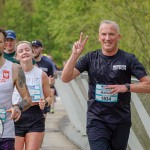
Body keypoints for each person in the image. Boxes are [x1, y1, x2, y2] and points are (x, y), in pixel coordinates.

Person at [61, 20, 150, 150]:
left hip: (121, 120)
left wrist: (127, 87)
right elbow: (65, 78)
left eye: (111, 34)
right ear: (99, 37)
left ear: (118, 37)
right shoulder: (90, 58)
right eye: (103, 34)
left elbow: (148, 85)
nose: (107, 38)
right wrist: (74, 55)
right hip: (96, 119)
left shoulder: (128, 59)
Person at [12, 41, 53, 150]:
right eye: (20, 51)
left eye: (27, 49)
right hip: (16, 116)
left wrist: (45, 102)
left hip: (35, 116)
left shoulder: (41, 74)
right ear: (16, 56)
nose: (24, 52)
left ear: (32, 52)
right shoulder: (13, 73)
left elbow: (49, 96)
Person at [0, 29, 32, 150]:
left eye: (0, 42)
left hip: (5, 133)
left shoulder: (15, 69)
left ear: (5, 45)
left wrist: (18, 107)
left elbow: (27, 99)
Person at [31, 40, 55, 116]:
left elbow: (51, 82)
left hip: (42, 98)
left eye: (36, 47)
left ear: (41, 49)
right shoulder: (27, 62)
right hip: (29, 98)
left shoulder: (48, 64)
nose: (34, 50)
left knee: (41, 123)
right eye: (32, 47)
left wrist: (50, 83)